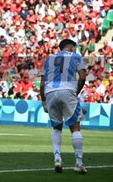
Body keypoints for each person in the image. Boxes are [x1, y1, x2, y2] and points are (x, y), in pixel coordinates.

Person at [40, 39, 87, 174]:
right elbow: (83, 77)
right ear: (71, 48)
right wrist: (75, 93)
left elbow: (42, 83)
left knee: (57, 127)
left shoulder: (49, 59)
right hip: (68, 91)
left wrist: (44, 101)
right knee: (75, 127)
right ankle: (78, 163)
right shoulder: (76, 56)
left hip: (50, 92)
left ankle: (57, 158)